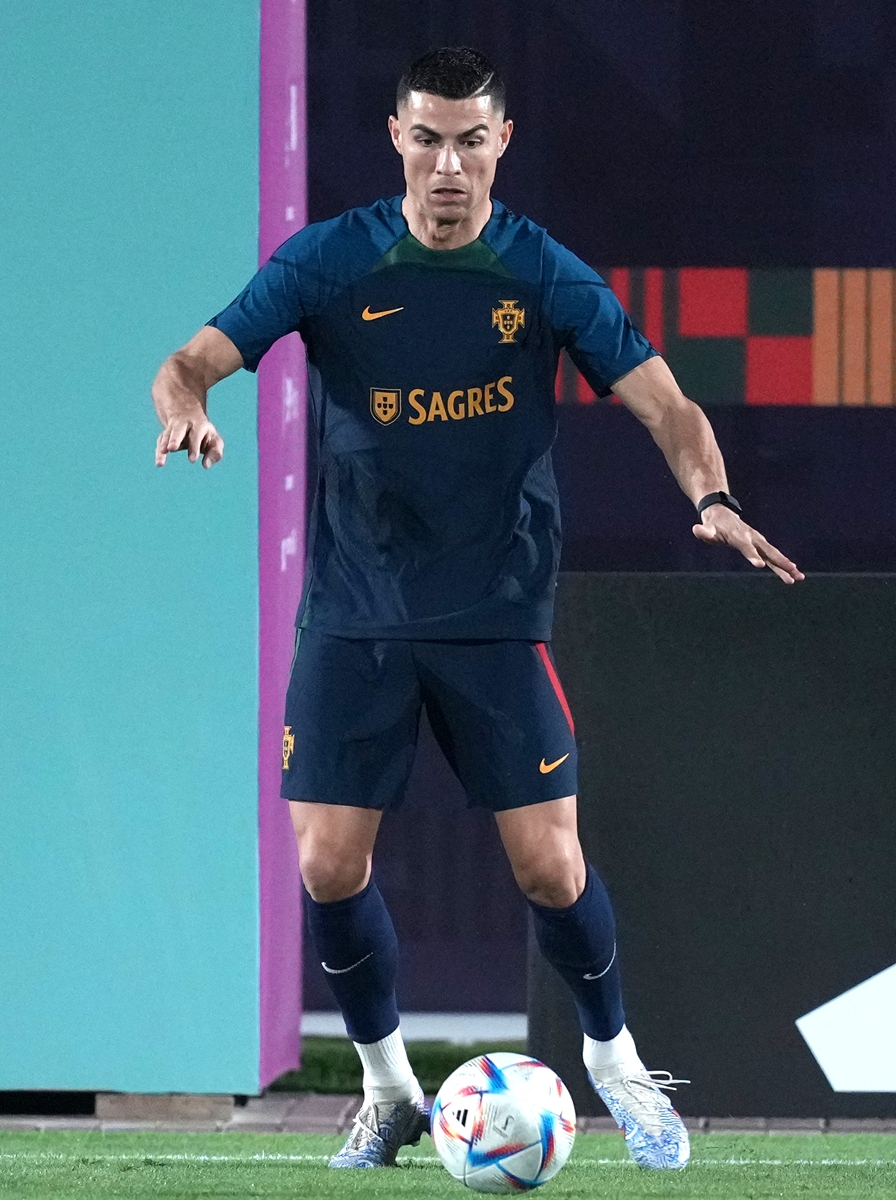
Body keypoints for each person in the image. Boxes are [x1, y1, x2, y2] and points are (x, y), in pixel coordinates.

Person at [151, 46, 804, 1172]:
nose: (446, 163)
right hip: (356, 612)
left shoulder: (543, 275)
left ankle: (614, 1064)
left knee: (550, 868)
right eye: (425, 137)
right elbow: (190, 361)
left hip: (495, 613)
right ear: (395, 139)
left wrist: (713, 495)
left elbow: (667, 405)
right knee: (326, 867)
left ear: (499, 144)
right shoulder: (327, 261)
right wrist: (187, 407)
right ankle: (388, 1088)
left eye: (468, 139)